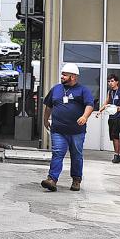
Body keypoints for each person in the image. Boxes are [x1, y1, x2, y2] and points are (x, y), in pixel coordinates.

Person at [41, 63, 95, 192]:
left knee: (76, 155)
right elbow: (49, 105)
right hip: (58, 130)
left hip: (77, 131)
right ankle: (52, 180)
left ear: (74, 77)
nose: (62, 77)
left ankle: (76, 180)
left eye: (65, 75)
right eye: (62, 74)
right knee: (57, 153)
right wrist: (45, 119)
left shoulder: (83, 90)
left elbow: (90, 105)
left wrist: (85, 117)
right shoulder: (56, 89)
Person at [96, 73, 120, 163]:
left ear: (117, 82)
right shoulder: (110, 92)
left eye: (112, 81)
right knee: (114, 136)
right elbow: (106, 103)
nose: (110, 83)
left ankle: (116, 155)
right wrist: (99, 111)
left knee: (115, 134)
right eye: (109, 81)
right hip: (112, 116)